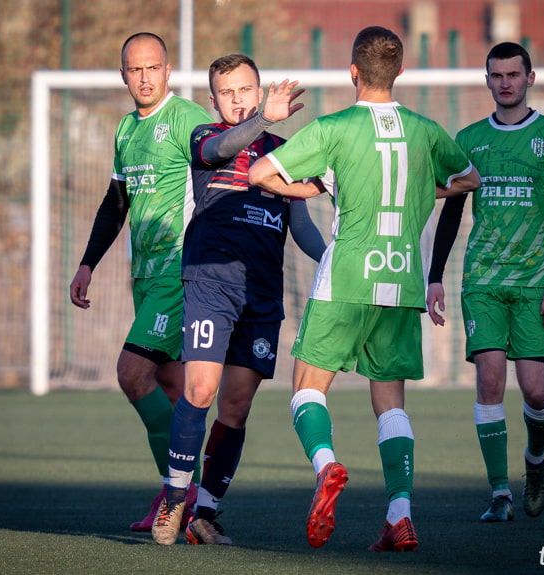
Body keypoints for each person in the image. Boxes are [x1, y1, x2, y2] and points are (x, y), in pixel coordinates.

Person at [248, 26, 480, 552]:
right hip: (402, 281)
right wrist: (426, 188)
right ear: (398, 73)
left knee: (307, 387)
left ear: (353, 71)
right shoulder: (427, 130)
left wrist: (313, 185)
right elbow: (470, 180)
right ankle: (399, 515)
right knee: (391, 404)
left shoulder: (334, 128)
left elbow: (260, 172)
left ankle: (327, 467)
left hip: (346, 279)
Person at [148, 54, 326, 546]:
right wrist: (262, 118)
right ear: (213, 100)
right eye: (226, 92)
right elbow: (227, 144)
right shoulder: (206, 139)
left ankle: (205, 512)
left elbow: (303, 226)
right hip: (210, 280)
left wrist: (333, 258)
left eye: (245, 90)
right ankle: (174, 497)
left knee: (237, 406)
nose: (237, 99)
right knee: (200, 390)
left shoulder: (284, 152)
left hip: (262, 293)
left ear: (260, 89)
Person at [425, 41, 544, 523]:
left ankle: (535, 462)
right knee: (489, 381)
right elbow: (451, 212)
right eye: (497, 75)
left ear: (530, 78)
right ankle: (499, 494)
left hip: (537, 283)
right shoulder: (469, 139)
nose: (506, 82)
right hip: (483, 282)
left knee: (535, 392)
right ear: (487, 80)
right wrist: (435, 277)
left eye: (514, 74)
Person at [69, 32, 213, 532]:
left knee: (131, 373)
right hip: (145, 276)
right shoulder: (126, 130)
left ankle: (183, 492)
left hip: (179, 269)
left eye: (153, 67)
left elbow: (224, 168)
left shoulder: (189, 118)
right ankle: (179, 496)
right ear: (124, 75)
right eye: (135, 69)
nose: (145, 77)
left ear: (168, 71)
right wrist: (88, 263)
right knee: (171, 389)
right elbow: (116, 204)